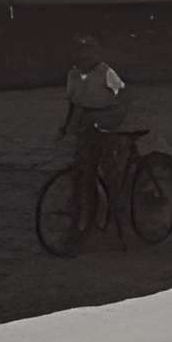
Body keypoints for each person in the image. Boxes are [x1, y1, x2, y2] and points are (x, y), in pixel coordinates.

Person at [60, 35, 129, 237]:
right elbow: (73, 102)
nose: (85, 55)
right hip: (85, 127)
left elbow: (122, 98)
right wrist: (66, 127)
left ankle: (116, 214)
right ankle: (82, 215)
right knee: (82, 172)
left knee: (109, 171)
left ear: (98, 53)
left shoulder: (106, 72)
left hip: (104, 125)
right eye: (81, 51)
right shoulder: (73, 74)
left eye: (90, 50)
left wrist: (110, 119)